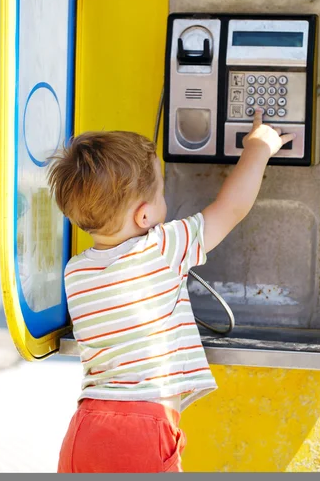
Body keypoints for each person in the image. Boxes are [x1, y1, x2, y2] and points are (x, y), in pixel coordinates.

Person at [48, 109, 294, 473]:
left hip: (85, 427)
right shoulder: (162, 247)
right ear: (144, 217)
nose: (167, 198)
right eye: (162, 191)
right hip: (143, 428)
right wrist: (257, 148)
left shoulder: (76, 271)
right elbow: (230, 208)